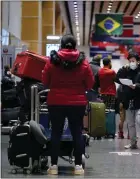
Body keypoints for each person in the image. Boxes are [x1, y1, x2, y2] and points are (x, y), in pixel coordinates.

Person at [42, 34, 94, 175]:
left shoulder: (51, 61)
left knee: (56, 133)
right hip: (77, 103)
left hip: (56, 102)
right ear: (75, 45)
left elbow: (45, 81)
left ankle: (53, 166)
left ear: (61, 45)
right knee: (77, 133)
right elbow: (90, 84)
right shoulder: (84, 62)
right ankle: (78, 167)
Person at [115, 52, 140, 149]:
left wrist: (137, 86)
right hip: (128, 101)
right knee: (130, 124)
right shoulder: (126, 70)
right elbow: (117, 78)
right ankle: (133, 142)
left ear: (138, 62)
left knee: (139, 120)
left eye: (133, 61)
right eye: (130, 61)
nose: (131, 63)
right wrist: (122, 68)